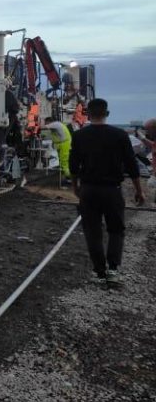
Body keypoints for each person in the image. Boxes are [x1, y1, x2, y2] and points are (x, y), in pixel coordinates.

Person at [69, 98, 145, 286]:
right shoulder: (119, 135)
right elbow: (131, 165)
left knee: (92, 231)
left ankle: (99, 271)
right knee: (116, 230)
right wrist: (139, 190)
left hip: (88, 189)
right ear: (107, 114)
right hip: (112, 190)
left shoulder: (79, 136)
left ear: (87, 114)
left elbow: (73, 165)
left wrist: (76, 187)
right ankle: (113, 269)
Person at [44, 116, 72, 183]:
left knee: (64, 162)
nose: (45, 124)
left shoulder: (56, 124)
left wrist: (34, 126)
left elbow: (43, 127)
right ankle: (68, 178)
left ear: (49, 122)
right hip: (62, 145)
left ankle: (71, 177)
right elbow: (56, 136)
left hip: (65, 145)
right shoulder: (55, 126)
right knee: (63, 162)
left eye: (46, 123)